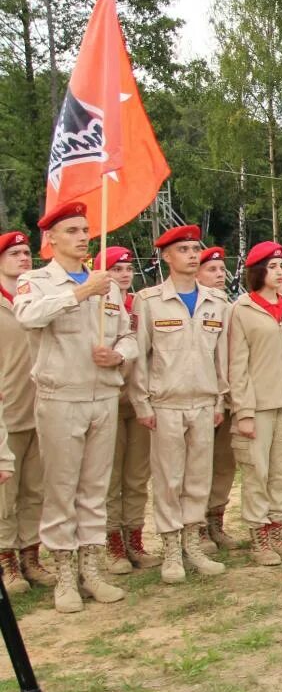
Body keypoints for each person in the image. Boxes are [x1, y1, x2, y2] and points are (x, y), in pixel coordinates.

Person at [14, 202, 136, 613]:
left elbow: (129, 336)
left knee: (94, 490)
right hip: (61, 397)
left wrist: (118, 355)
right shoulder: (36, 281)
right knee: (62, 490)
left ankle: (92, 569)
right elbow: (28, 317)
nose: (83, 237)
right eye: (72, 231)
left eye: (85, 230)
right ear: (50, 240)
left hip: (102, 394)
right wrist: (80, 292)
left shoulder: (110, 286)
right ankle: (63, 574)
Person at [128, 225, 229, 583]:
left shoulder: (217, 302)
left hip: (203, 402)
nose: (191, 255)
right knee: (169, 479)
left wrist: (220, 399)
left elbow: (222, 357)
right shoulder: (150, 300)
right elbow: (139, 356)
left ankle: (193, 542)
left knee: (198, 478)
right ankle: (171, 549)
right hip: (166, 403)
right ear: (167, 256)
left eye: (194, 249)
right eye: (183, 249)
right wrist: (141, 403)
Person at [228, 240, 282, 566]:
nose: (279, 272)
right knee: (257, 472)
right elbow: (237, 364)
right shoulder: (242, 309)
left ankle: (276, 531)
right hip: (258, 405)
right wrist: (244, 411)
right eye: (273, 267)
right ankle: (259, 537)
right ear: (258, 271)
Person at [96, 246, 157, 574]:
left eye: (127, 268)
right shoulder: (95, 305)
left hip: (140, 399)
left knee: (136, 475)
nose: (123, 274)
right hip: (108, 397)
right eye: (115, 269)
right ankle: (113, 543)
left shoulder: (139, 304)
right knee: (110, 475)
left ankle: (134, 538)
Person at [0, 231, 53, 594]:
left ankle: (30, 554)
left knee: (35, 489)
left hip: (43, 407)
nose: (24, 259)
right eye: (15, 253)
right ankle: (6, 559)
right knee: (7, 493)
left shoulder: (38, 296)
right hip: (8, 409)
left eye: (27, 252)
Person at [196, 247, 243, 549]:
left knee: (225, 463)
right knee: (198, 465)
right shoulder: (197, 306)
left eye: (221, 269)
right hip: (201, 395)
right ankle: (196, 524)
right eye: (211, 269)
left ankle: (216, 520)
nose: (219, 275)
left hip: (228, 396)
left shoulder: (230, 306)